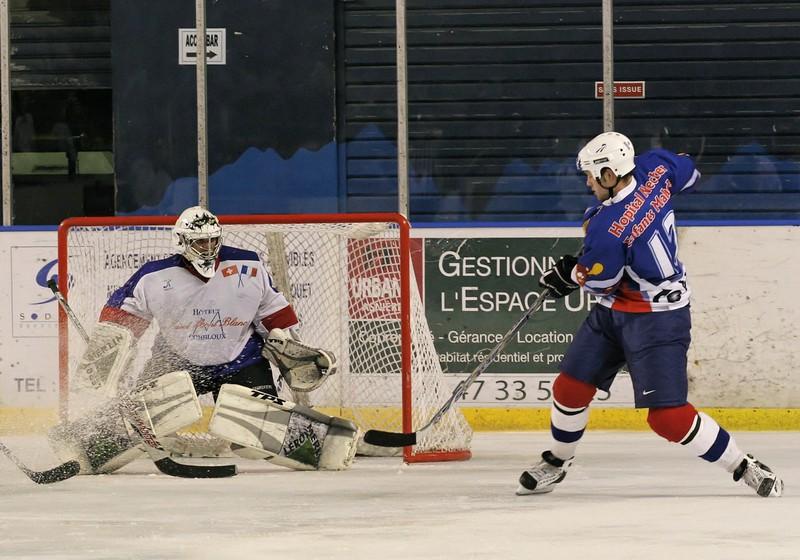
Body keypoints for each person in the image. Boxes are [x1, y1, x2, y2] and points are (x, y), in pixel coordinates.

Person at [517, 132, 783, 498]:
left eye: (592, 175)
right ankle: (558, 461)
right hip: (615, 313)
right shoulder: (654, 167)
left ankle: (742, 464)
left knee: (668, 418)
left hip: (658, 319)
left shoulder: (608, 230)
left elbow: (603, 283)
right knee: (570, 386)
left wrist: (570, 275)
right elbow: (689, 173)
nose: (588, 182)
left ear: (610, 175)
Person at [50, 206, 359, 474]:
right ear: (182, 242)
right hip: (178, 359)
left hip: (242, 360)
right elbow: (122, 319)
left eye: (213, 240)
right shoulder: (154, 277)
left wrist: (283, 341)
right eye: (200, 242)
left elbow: (271, 313)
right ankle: (84, 442)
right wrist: (110, 357)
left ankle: (324, 442)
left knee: (248, 437)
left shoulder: (248, 266)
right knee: (141, 419)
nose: (208, 247)